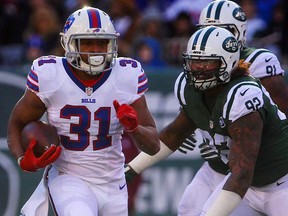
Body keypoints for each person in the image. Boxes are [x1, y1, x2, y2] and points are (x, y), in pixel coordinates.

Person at [7, 6, 160, 216]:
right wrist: (22, 159)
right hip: (68, 176)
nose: (96, 49)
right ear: (69, 43)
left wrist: (134, 128)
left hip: (113, 181)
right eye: (87, 42)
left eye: (102, 42)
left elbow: (153, 146)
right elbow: (17, 123)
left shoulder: (126, 75)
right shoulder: (50, 74)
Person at [125, 25, 288, 216]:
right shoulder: (191, 89)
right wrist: (129, 171)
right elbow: (173, 136)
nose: (199, 68)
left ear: (227, 62)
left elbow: (242, 173)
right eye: (194, 61)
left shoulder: (243, 95)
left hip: (281, 183)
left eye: (207, 62)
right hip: (248, 187)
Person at [176, 1, 288, 215]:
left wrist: (223, 142)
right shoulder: (199, 70)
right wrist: (196, 129)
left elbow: (277, 121)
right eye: (207, 30)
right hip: (226, 168)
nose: (215, 35)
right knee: (190, 207)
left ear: (240, 32)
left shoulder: (258, 62)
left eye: (223, 29)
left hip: (268, 169)